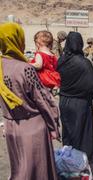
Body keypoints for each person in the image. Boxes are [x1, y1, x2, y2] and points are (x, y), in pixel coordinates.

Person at [0, 23, 60, 180]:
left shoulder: (1, 66)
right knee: (37, 172)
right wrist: (54, 124)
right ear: (18, 40)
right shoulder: (25, 68)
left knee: (19, 169)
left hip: (11, 127)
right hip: (32, 128)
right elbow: (43, 100)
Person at [57, 32, 93, 175]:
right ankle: (83, 167)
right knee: (83, 134)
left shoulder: (61, 61)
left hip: (64, 102)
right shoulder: (84, 63)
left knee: (68, 133)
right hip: (80, 104)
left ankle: (68, 164)